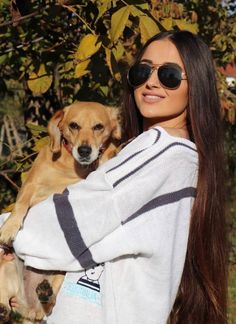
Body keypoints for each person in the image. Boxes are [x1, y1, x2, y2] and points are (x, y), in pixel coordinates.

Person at [3, 29, 227, 323]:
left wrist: (7, 232)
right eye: (142, 71)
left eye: (169, 75)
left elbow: (52, 231)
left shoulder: (160, 153)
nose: (151, 81)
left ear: (195, 84)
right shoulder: (171, 157)